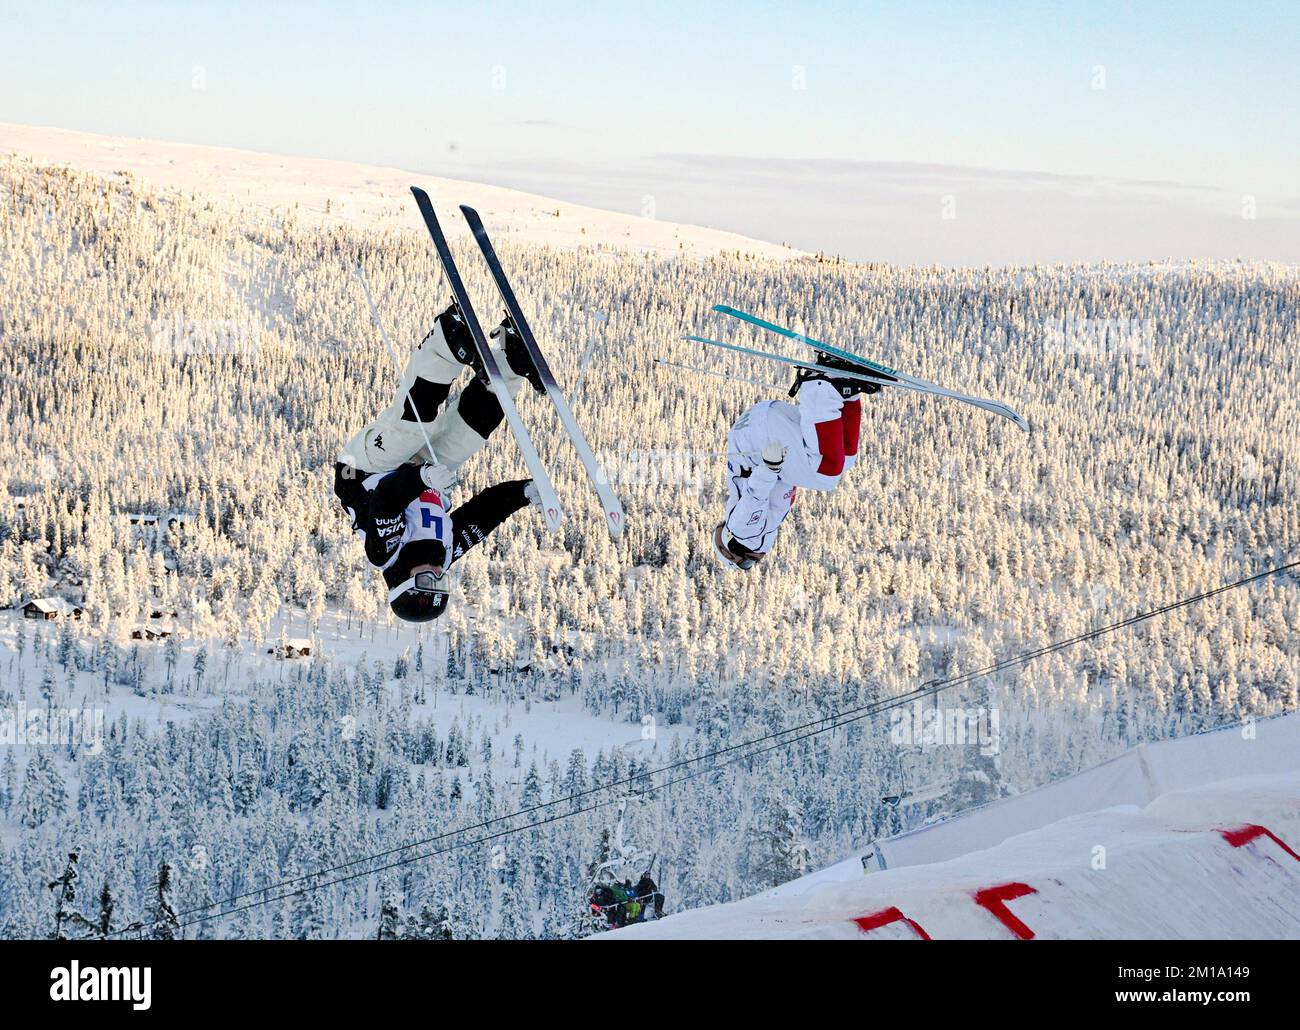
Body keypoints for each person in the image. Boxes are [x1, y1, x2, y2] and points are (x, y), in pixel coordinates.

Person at [334, 302, 545, 622]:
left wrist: (423, 480)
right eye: (441, 583)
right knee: (468, 435)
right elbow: (482, 515)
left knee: (413, 428)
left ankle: (446, 341)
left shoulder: (385, 555)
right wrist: (523, 494)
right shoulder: (443, 554)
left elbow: (387, 502)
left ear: (404, 581)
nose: (435, 573)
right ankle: (509, 363)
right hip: (421, 473)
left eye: (425, 581)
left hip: (363, 470)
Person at [714, 358, 880, 570]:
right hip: (759, 426)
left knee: (826, 474)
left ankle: (820, 385)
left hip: (760, 437)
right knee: (843, 461)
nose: (755, 559)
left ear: (729, 547)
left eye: (746, 562)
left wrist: (769, 467)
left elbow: (754, 498)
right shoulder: (759, 529)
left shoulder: (743, 533)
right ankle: (846, 391)